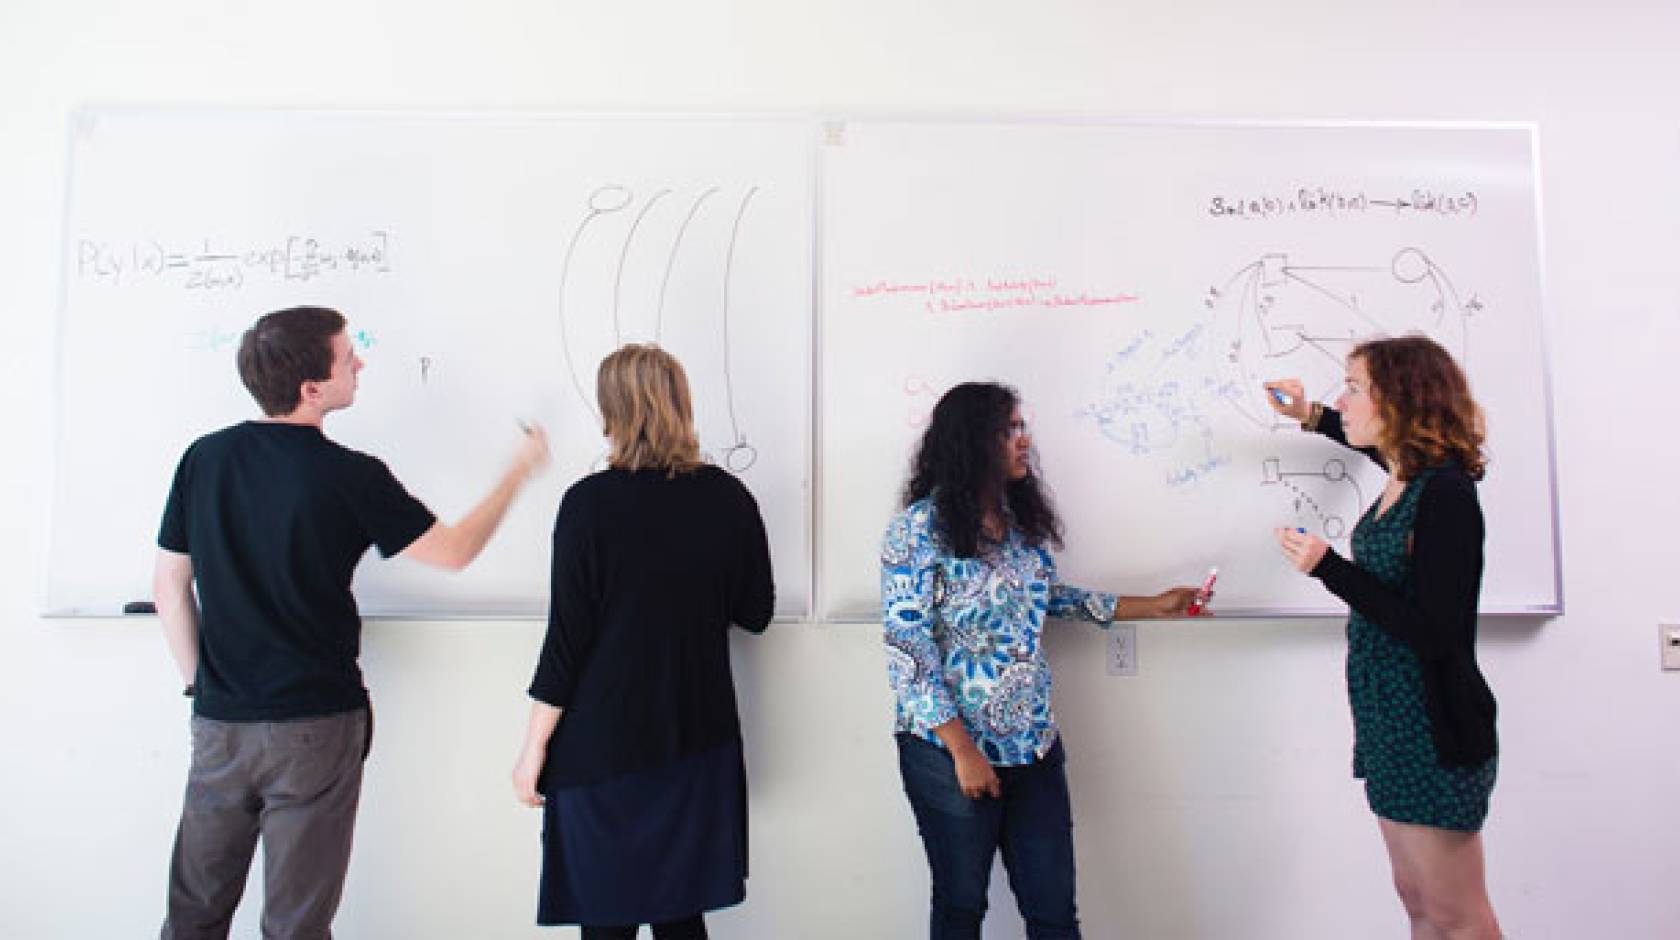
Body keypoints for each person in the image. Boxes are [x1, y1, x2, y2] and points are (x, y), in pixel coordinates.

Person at [153, 305, 550, 940]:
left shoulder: (203, 460)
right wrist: (518, 472)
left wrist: (200, 686)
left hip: (220, 724)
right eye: (347, 357)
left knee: (193, 915)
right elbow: (454, 552)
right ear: (311, 389)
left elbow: (170, 587)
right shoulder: (349, 476)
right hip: (314, 723)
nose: (359, 363)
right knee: (297, 925)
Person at [880, 381, 1203, 940]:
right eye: (1009, 429)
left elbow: (1048, 598)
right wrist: (963, 751)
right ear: (972, 440)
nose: (1024, 440)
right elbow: (908, 649)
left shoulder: (1017, 527)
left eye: (1022, 427)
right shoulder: (917, 530)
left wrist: (1153, 605)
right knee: (961, 909)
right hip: (947, 752)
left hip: (1033, 745)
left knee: (1053, 914)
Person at [511, 344, 774, 940]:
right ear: (681, 404)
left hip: (601, 751)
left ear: (612, 412)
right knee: (682, 922)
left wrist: (532, 751)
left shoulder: (586, 505)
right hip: (695, 740)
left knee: (606, 925)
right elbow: (755, 614)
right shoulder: (728, 498)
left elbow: (566, 644)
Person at [1266, 334, 1501, 939]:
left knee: (1456, 915)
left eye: (1354, 388)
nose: (1342, 401)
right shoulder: (1405, 472)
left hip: (1433, 730)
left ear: (1399, 399)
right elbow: (1360, 439)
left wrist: (1328, 568)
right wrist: (1307, 415)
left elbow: (1437, 633)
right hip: (1389, 724)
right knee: (1417, 900)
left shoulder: (1444, 493)